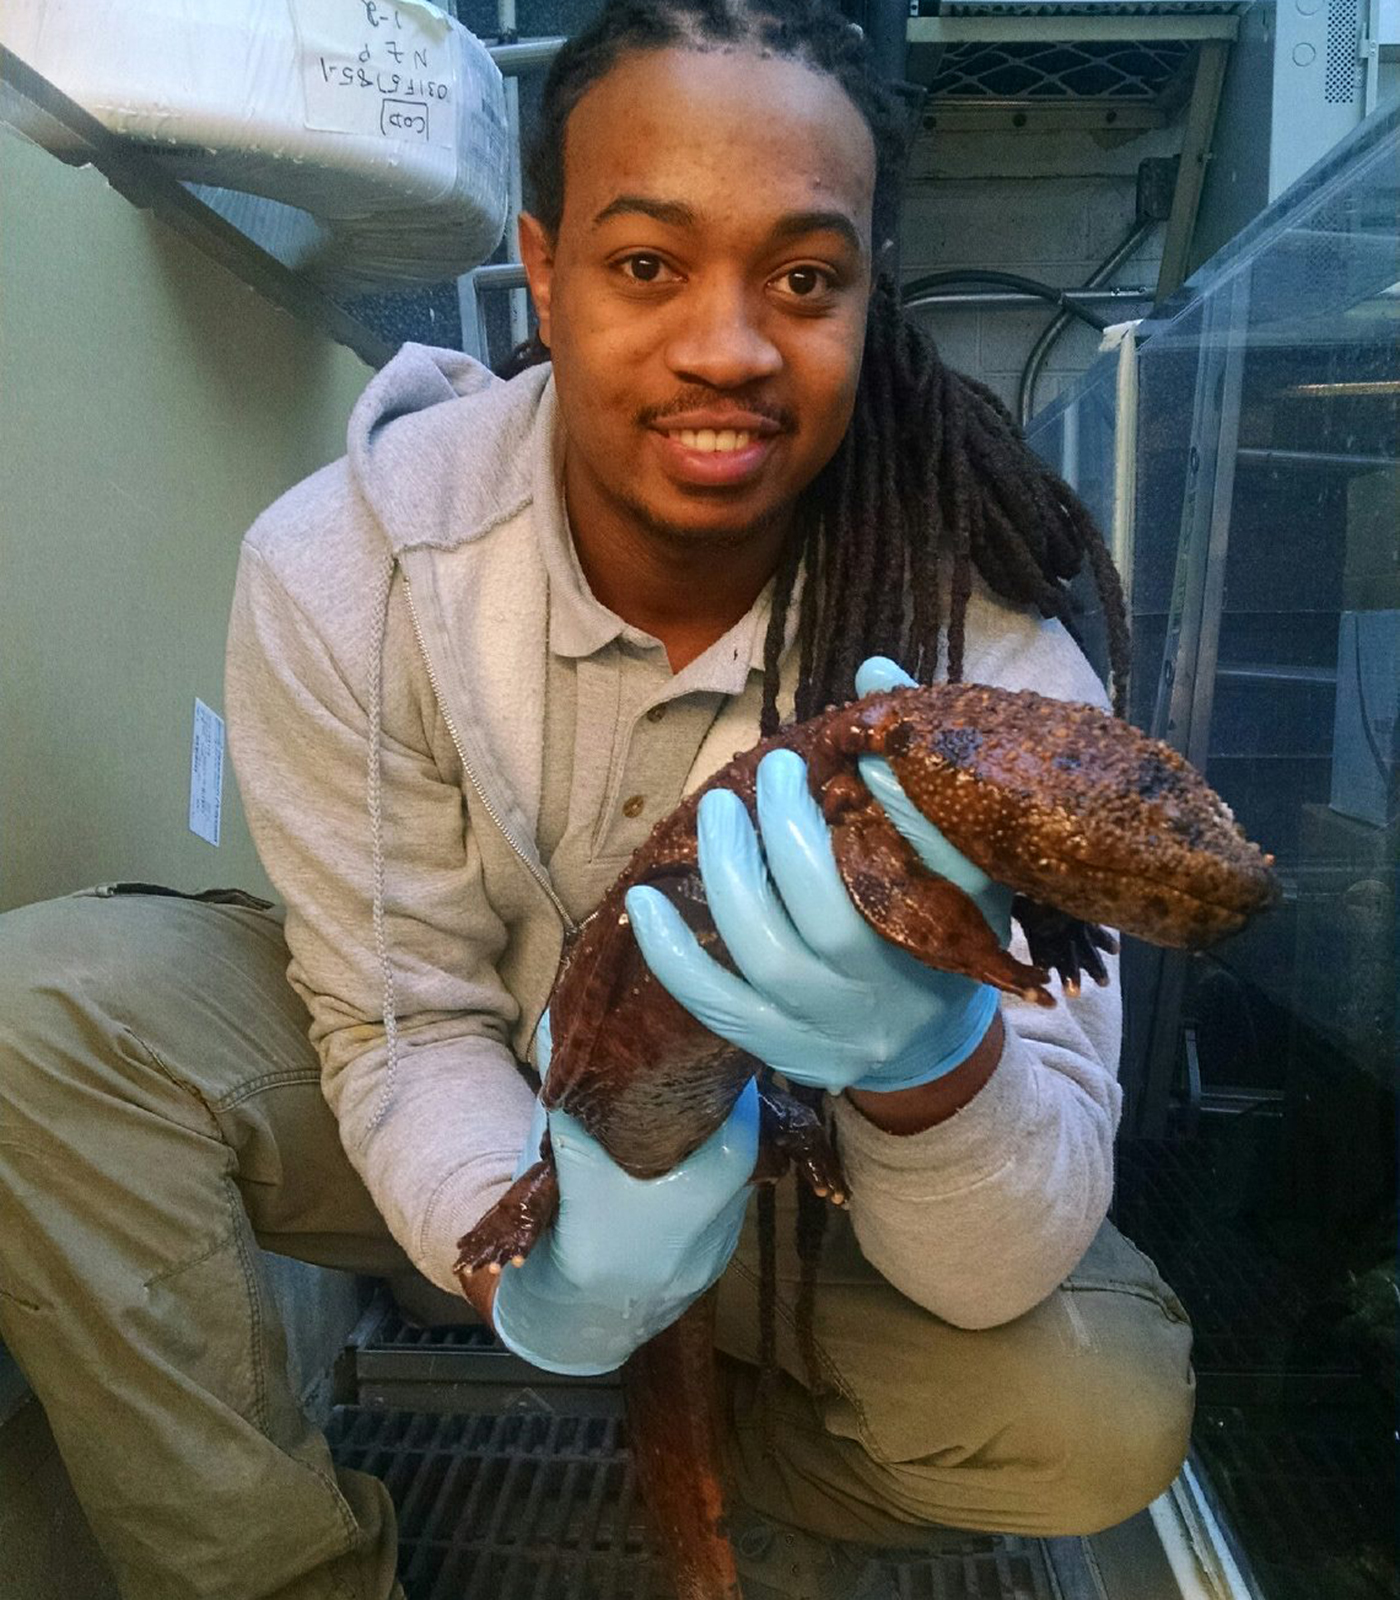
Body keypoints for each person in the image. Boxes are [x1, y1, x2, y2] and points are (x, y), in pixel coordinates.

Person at [0, 1, 1195, 1596]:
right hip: (484, 1128)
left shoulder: (998, 661)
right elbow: (403, 1019)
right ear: (542, 273)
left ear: (866, 298)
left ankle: (762, 1460)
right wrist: (542, 1253)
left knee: (1084, 1418)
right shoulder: (346, 564)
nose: (728, 346)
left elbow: (1004, 1251)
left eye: (805, 277)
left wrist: (932, 1059)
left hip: (818, 1205)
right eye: (647, 266)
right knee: (50, 1019)